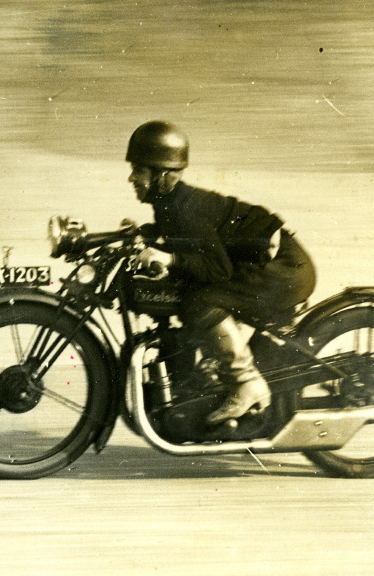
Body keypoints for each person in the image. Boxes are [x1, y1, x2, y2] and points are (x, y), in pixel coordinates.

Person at [127, 120, 317, 426]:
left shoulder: (184, 208)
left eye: (139, 170)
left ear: (161, 173)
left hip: (283, 269)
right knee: (186, 295)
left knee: (199, 302)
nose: (131, 178)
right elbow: (188, 244)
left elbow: (216, 268)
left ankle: (246, 383)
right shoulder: (168, 205)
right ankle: (209, 373)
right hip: (270, 265)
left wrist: (171, 258)